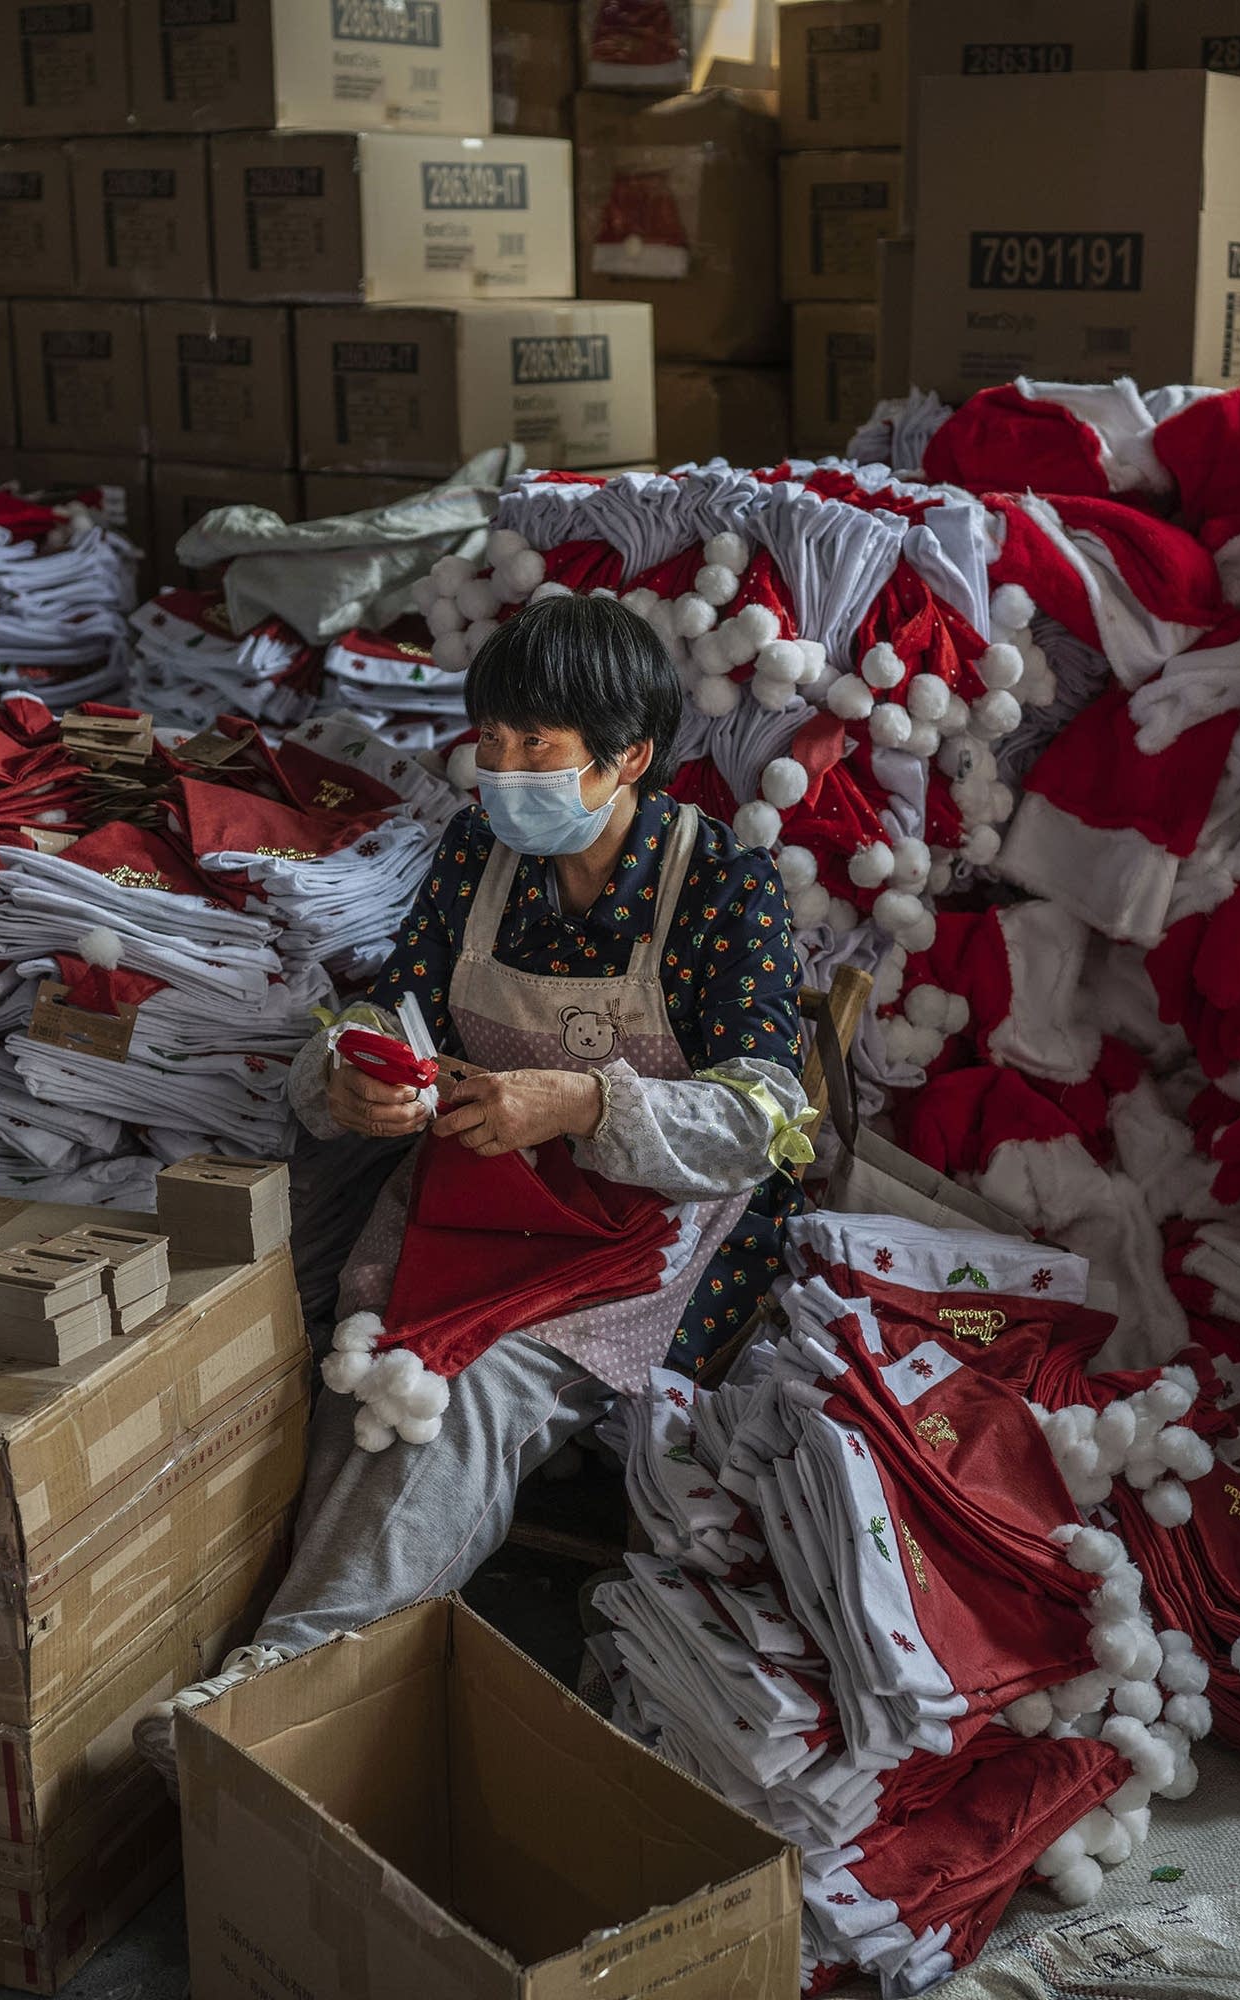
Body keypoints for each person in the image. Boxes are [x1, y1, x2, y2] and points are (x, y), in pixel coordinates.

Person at [136, 594, 809, 1785]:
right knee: (331, 1333)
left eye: (533, 746)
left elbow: (766, 1117)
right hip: (482, 1192)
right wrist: (354, 1071)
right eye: (488, 738)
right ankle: (239, 1647)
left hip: (647, 1226)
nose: (498, 770)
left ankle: (285, 1693)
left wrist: (586, 1103)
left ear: (629, 757)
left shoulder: (725, 888)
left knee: (468, 1387)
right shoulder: (477, 858)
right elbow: (392, 1002)